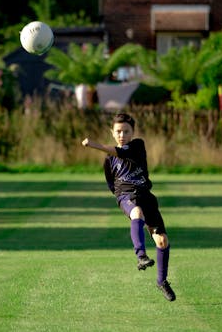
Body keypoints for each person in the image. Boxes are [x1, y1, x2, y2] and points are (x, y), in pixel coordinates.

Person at [81, 113, 176, 302]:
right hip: (127, 196)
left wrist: (94, 145)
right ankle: (141, 255)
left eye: (126, 131)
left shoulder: (137, 145)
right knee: (136, 213)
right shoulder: (109, 160)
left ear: (133, 132)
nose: (122, 134)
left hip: (146, 197)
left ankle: (161, 281)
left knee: (162, 241)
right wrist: (120, 197)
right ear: (112, 132)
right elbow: (111, 183)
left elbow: (120, 152)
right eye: (118, 131)